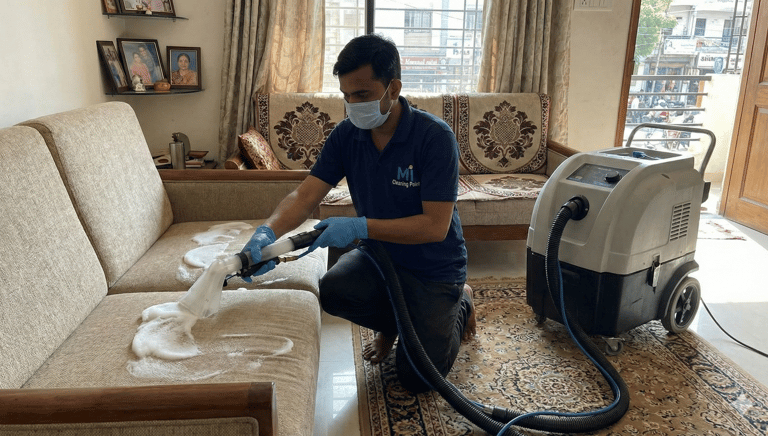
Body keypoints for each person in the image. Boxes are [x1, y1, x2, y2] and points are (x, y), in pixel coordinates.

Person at [241, 34, 476, 393]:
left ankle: (462, 302)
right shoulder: (347, 136)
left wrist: (358, 226)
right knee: (334, 291)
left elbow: (434, 227)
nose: (352, 104)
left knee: (417, 379)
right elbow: (305, 195)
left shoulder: (434, 138)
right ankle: (393, 324)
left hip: (434, 268)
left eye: (362, 94)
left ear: (393, 88)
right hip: (379, 256)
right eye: (346, 95)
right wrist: (268, 232)